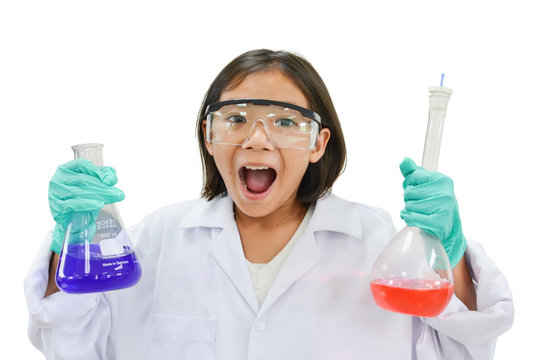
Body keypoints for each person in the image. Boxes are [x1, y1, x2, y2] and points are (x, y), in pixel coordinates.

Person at [25, 49, 514, 359]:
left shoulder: (376, 242)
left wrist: (447, 250)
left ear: (318, 144)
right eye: (234, 118)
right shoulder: (155, 239)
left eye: (284, 122)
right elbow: (68, 345)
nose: (257, 139)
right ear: (209, 136)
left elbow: (464, 350)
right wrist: (73, 235)